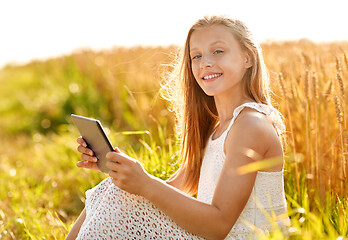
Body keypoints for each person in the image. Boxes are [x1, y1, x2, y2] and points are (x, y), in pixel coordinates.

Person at [66, 15, 290, 240]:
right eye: (197, 56)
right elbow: (173, 190)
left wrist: (145, 183)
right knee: (113, 189)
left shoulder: (250, 125)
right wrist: (121, 171)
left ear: (247, 58)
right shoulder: (218, 129)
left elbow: (219, 225)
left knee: (115, 194)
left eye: (218, 51)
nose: (205, 63)